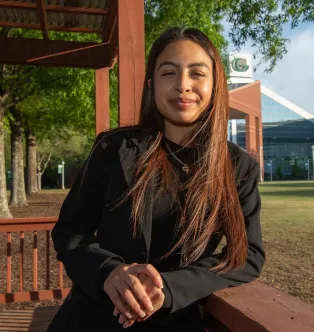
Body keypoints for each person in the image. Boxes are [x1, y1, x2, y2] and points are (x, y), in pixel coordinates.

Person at [47, 27, 265, 332]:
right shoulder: (114, 149)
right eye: (169, 73)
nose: (183, 85)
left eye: (197, 73)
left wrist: (170, 286)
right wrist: (108, 272)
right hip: (92, 319)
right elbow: (70, 232)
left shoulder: (237, 167)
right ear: (152, 85)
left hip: (175, 322)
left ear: (216, 85)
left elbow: (247, 256)